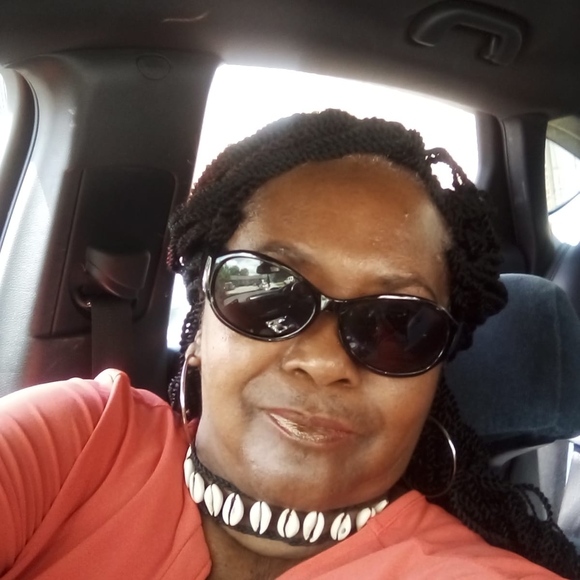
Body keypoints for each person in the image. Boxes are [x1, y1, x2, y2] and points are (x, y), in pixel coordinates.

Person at [1, 109, 578, 580]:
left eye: (397, 324)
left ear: (432, 379)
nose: (324, 361)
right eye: (267, 293)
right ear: (199, 329)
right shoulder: (80, 441)